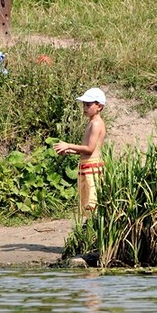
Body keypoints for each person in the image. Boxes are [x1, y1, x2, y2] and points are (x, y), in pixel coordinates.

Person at [54, 87, 107, 219]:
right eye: (84, 104)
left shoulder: (96, 124)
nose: (84, 107)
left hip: (92, 167)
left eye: (88, 105)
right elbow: (86, 150)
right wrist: (69, 151)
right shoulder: (91, 123)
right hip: (86, 166)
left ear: (99, 106)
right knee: (86, 201)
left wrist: (69, 145)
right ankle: (89, 229)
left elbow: (89, 149)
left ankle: (93, 230)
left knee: (92, 202)